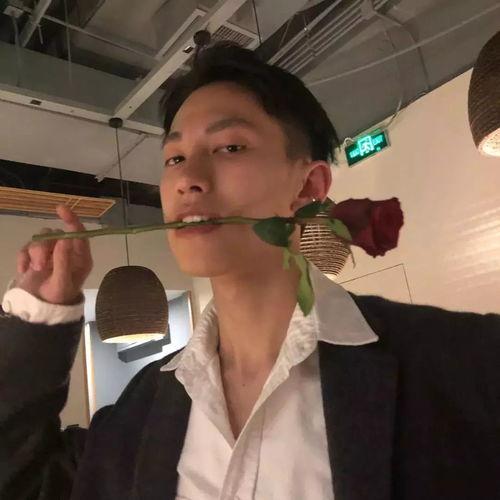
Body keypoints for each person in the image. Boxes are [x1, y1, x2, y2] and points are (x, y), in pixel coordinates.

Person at [1, 42, 499, 500]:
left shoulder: (466, 367)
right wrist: (39, 313)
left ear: (309, 187)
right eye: (175, 157)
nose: (188, 179)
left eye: (229, 147)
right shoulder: (140, 412)